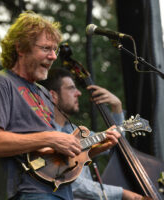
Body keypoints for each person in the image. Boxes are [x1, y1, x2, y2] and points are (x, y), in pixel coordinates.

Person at [0, 11, 121, 200]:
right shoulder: (0, 83)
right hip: (27, 193)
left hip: (61, 191)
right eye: (46, 48)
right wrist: (49, 137)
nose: (53, 56)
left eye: (55, 50)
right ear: (20, 48)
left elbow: (52, 156)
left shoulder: (43, 93)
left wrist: (94, 149)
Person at [41, 68, 144, 200]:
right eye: (71, 88)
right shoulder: (44, 133)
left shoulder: (76, 132)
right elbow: (70, 183)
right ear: (53, 96)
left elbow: (119, 148)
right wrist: (122, 194)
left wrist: (117, 107)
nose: (78, 93)